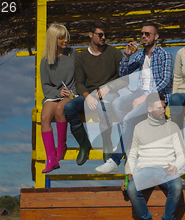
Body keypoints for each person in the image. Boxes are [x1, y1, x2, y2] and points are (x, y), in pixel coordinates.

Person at [95, 22, 173, 174]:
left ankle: (115, 159)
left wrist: (145, 96)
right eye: (142, 34)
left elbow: (165, 81)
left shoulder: (165, 55)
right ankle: (133, 140)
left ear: (156, 36)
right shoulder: (138, 55)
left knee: (129, 119)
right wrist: (126, 56)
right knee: (116, 103)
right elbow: (124, 74)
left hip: (158, 97)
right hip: (140, 94)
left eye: (147, 34)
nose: (143, 36)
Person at [123, 93, 185, 220]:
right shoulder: (139, 128)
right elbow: (132, 154)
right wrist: (127, 175)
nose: (163, 111)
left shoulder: (172, 127)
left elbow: (181, 154)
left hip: (167, 168)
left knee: (177, 188)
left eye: (164, 107)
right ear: (149, 109)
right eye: (159, 108)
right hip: (145, 168)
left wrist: (175, 167)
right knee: (131, 188)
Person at [64, 21, 124, 165]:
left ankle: (107, 142)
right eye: (100, 34)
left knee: (102, 106)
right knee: (69, 107)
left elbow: (124, 80)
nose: (103, 37)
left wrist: (108, 88)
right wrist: (86, 96)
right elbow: (79, 83)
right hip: (89, 96)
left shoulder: (115, 53)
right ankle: (84, 143)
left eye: (105, 34)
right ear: (90, 35)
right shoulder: (81, 57)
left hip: (110, 95)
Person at [39, 23, 77, 173]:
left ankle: (61, 145)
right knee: (44, 117)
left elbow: (80, 75)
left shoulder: (73, 54)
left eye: (66, 37)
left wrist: (70, 91)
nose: (65, 40)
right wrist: (57, 93)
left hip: (71, 93)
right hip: (53, 95)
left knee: (61, 109)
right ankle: (51, 159)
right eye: (60, 38)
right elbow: (45, 86)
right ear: (52, 39)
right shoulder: (45, 60)